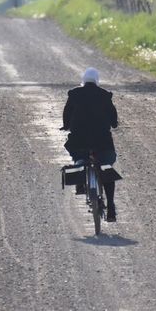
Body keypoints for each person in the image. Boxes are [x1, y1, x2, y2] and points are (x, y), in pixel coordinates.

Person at [60, 67, 119, 222]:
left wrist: (66, 126)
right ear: (97, 81)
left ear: (84, 80)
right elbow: (114, 121)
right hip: (102, 142)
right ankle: (111, 205)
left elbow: (66, 115)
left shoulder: (74, 94)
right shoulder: (106, 96)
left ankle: (80, 180)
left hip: (79, 141)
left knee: (79, 156)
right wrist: (113, 123)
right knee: (107, 166)